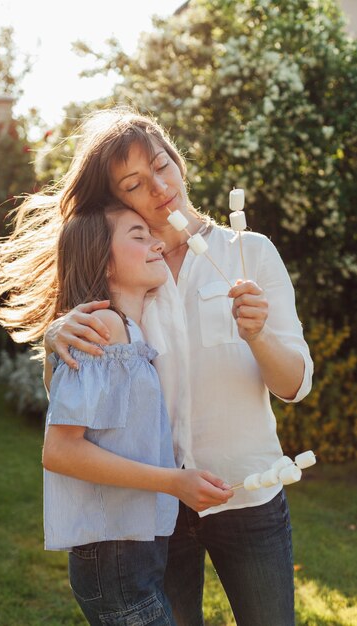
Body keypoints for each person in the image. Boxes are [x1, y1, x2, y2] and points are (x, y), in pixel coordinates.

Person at [43, 106, 314, 626]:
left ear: (180, 163)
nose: (158, 187)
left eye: (162, 165)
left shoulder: (249, 254)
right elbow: (71, 394)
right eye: (134, 183)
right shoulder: (123, 273)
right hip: (158, 509)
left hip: (249, 494)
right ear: (117, 200)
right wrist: (57, 337)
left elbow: (295, 384)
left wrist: (257, 336)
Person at [0, 196, 233, 625]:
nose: (156, 244)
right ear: (104, 261)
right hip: (116, 558)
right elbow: (60, 451)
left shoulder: (129, 331)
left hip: (131, 550)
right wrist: (175, 482)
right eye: (139, 236)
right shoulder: (105, 328)